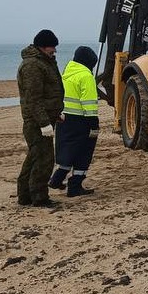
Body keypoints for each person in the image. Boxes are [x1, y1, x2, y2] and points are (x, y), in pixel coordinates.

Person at [17, 29, 63, 208]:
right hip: (36, 122)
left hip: (45, 117)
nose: (55, 51)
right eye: (52, 48)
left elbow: (49, 92)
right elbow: (33, 99)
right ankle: (39, 198)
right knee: (44, 159)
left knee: (35, 157)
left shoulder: (45, 61)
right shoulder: (33, 66)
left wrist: (55, 113)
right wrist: (44, 123)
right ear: (43, 47)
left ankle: (25, 196)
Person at [48, 46, 100, 197]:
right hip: (82, 120)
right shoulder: (86, 76)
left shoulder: (66, 72)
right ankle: (75, 186)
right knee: (84, 153)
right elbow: (89, 102)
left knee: (67, 150)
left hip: (64, 118)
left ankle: (57, 179)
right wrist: (94, 123)